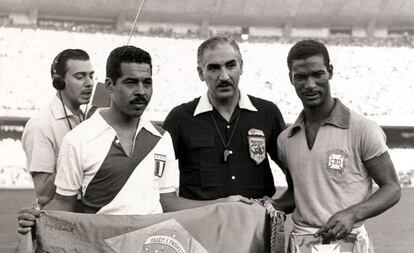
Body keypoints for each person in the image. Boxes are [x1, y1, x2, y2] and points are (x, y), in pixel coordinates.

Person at [18, 45, 253, 233]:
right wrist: (36, 217)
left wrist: (224, 203)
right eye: (131, 83)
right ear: (109, 86)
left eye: (147, 82)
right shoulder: (78, 139)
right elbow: (64, 204)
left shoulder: (162, 138)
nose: (141, 91)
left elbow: (168, 202)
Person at [277, 39, 401, 252]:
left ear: (330, 72)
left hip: (349, 242)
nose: (310, 85)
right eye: (301, 77)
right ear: (291, 78)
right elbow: (298, 193)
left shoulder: (363, 129)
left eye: (317, 74)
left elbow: (392, 188)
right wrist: (271, 206)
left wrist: (353, 213)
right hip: (301, 242)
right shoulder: (285, 139)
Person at [163, 36, 289, 203]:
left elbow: (294, 173)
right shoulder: (180, 118)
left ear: (241, 67)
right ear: (201, 73)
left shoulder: (267, 113)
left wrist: (280, 205)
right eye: (214, 68)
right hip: (201, 225)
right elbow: (155, 180)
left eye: (230, 65)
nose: (224, 76)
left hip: (254, 224)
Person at [21, 49, 94, 208]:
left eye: (91, 75)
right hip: (63, 222)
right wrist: (81, 142)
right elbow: (44, 194)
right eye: (80, 76)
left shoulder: (88, 119)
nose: (89, 83)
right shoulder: (39, 125)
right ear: (58, 82)